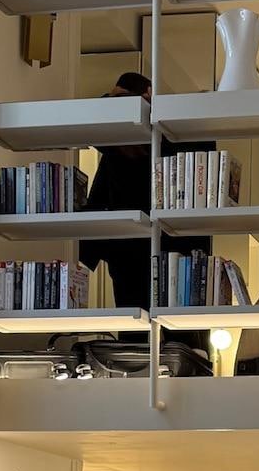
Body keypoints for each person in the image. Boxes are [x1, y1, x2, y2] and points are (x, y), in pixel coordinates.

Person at [78, 70, 209, 353]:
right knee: (135, 342)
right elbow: (98, 200)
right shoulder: (114, 153)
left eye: (124, 100)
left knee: (183, 342)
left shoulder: (174, 138)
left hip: (176, 254)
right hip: (128, 253)